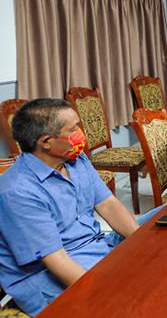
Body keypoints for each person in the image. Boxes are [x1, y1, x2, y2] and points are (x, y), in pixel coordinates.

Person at [0, 99, 158, 316]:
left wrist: (143, 244)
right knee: (140, 295)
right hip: (53, 269)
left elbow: (108, 204)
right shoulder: (18, 191)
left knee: (165, 220)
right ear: (46, 142)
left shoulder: (73, 158)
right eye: (74, 129)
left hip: (94, 243)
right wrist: (109, 293)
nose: (81, 134)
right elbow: (57, 260)